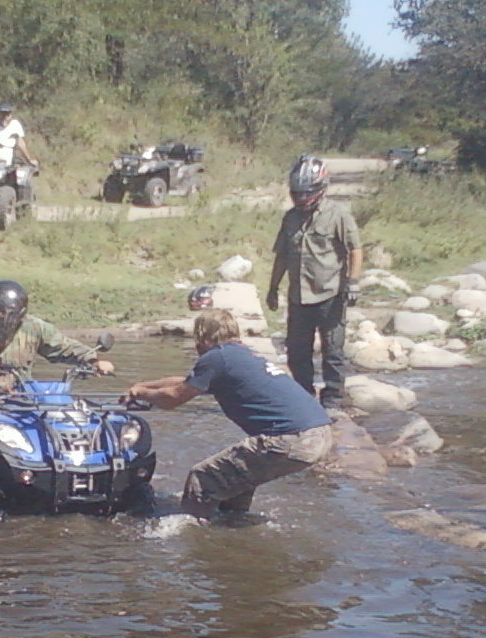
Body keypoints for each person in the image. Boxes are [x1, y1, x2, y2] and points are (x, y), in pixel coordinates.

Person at [123, 309, 334, 520]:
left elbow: (172, 399)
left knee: (203, 477)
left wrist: (141, 394)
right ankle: (233, 524)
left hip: (292, 438)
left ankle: (191, 530)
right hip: (319, 434)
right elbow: (185, 382)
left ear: (202, 335)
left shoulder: (217, 358)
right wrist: (141, 386)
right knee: (235, 480)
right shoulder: (239, 355)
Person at [265, 155, 361, 409]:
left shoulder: (338, 215)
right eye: (297, 193)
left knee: (333, 350)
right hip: (299, 296)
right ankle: (303, 397)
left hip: (330, 294)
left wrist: (353, 282)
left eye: (306, 193)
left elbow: (355, 249)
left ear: (321, 188)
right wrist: (273, 288)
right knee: (297, 351)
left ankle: (333, 400)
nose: (301, 198)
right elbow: (282, 255)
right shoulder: (290, 218)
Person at [0, 279, 112, 403]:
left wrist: (92, 360)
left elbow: (64, 347)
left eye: (3, 312)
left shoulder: (34, 327)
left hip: (21, 395)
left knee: (57, 415)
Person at [0, 101, 34, 166]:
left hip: (5, 159)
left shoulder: (14, 124)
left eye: (6, 114)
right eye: (0, 114)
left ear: (10, 115)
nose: (3, 117)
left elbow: (20, 143)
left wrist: (28, 159)